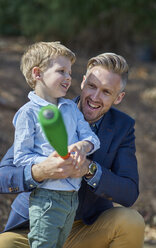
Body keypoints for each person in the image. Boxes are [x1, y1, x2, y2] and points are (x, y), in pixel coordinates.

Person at [0, 52, 145, 248]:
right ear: (83, 82)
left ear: (119, 97)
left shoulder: (122, 127)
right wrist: (40, 171)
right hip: (36, 225)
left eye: (106, 92)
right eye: (92, 86)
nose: (94, 97)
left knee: (131, 222)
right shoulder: (51, 111)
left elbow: (128, 192)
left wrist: (89, 170)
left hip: (86, 229)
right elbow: (4, 175)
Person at [0, 41, 100, 248]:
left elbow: (92, 138)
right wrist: (50, 163)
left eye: (70, 72)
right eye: (61, 71)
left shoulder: (71, 109)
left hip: (72, 197)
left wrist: (83, 146)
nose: (68, 77)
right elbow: (21, 157)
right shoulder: (28, 113)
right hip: (46, 197)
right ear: (37, 73)